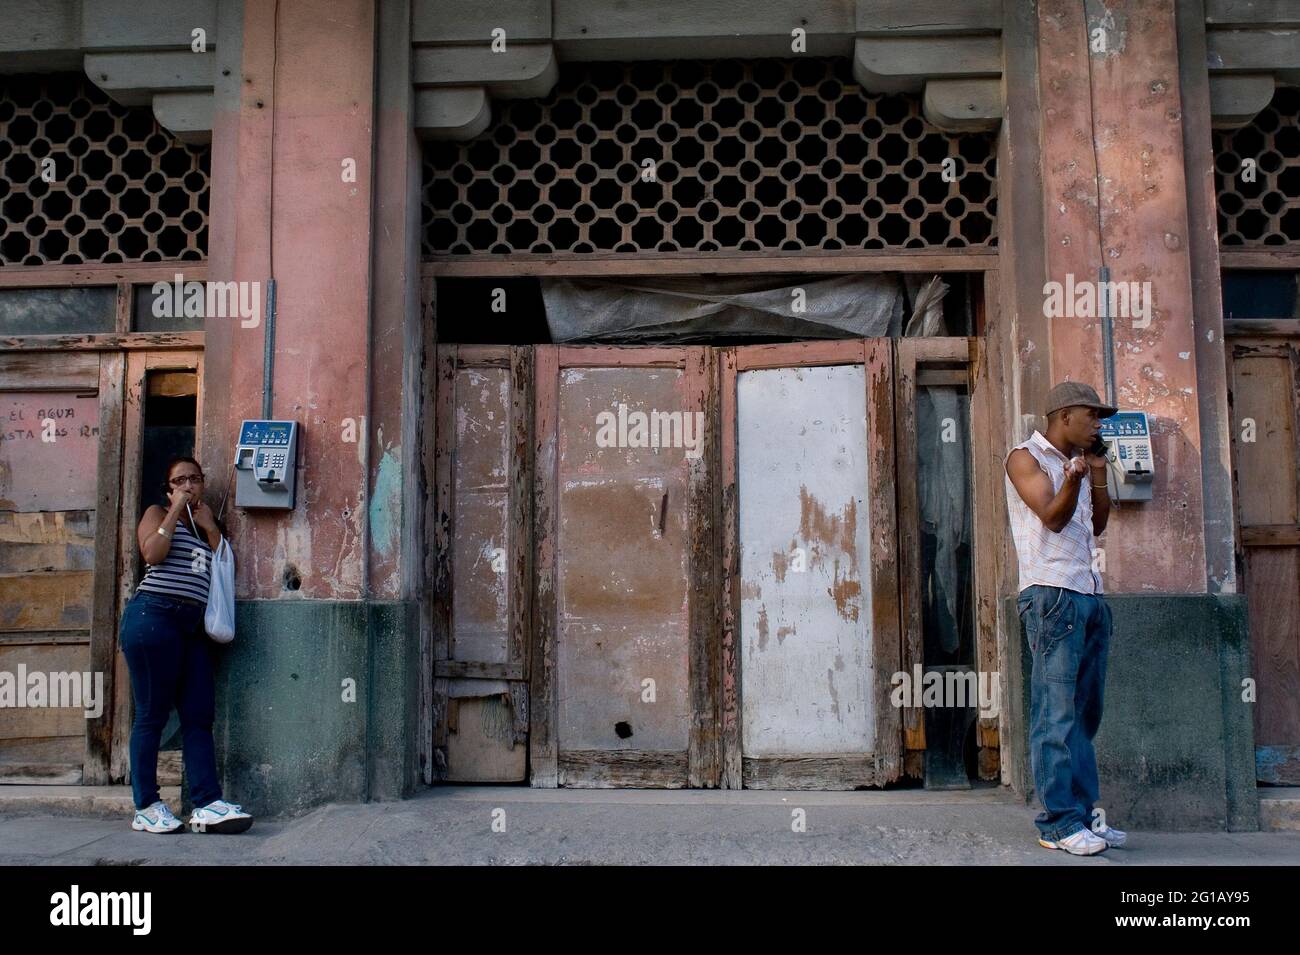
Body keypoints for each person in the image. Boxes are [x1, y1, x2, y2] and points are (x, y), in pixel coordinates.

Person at [1004, 381, 1125, 856]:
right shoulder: (1025, 458)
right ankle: (1057, 824)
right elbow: (1053, 518)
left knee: (1083, 717)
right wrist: (1072, 478)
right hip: (1051, 594)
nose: (1097, 425)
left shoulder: (1080, 461)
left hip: (1089, 595)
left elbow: (1096, 524)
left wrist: (1094, 470)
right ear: (1064, 416)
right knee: (1054, 714)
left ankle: (1084, 818)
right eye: (1091, 416)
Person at [119, 455, 252, 834]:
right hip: (152, 619)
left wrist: (211, 528)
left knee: (198, 716)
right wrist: (174, 510)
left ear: (203, 483)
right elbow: (152, 554)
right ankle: (146, 806)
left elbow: (225, 566)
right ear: (169, 487)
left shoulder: (209, 522)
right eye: (179, 481)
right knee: (151, 717)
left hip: (192, 629)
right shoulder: (157, 513)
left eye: (194, 479)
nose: (188, 485)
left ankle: (207, 803)